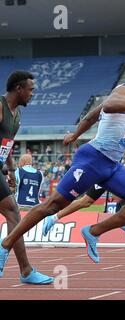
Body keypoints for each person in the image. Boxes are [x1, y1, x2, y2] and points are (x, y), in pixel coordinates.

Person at [0, 62, 125, 269]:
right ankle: (6, 244)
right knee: (52, 205)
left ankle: (92, 231)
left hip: (111, 165)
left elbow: (93, 115)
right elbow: (109, 106)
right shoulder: (124, 91)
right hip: (93, 160)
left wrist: (76, 134)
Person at [0, 71, 53, 284]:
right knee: (13, 213)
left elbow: (7, 145)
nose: (33, 94)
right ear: (19, 89)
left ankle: (26, 271)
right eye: (30, 90)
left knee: (13, 213)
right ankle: (26, 270)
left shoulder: (17, 115)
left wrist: (10, 170)